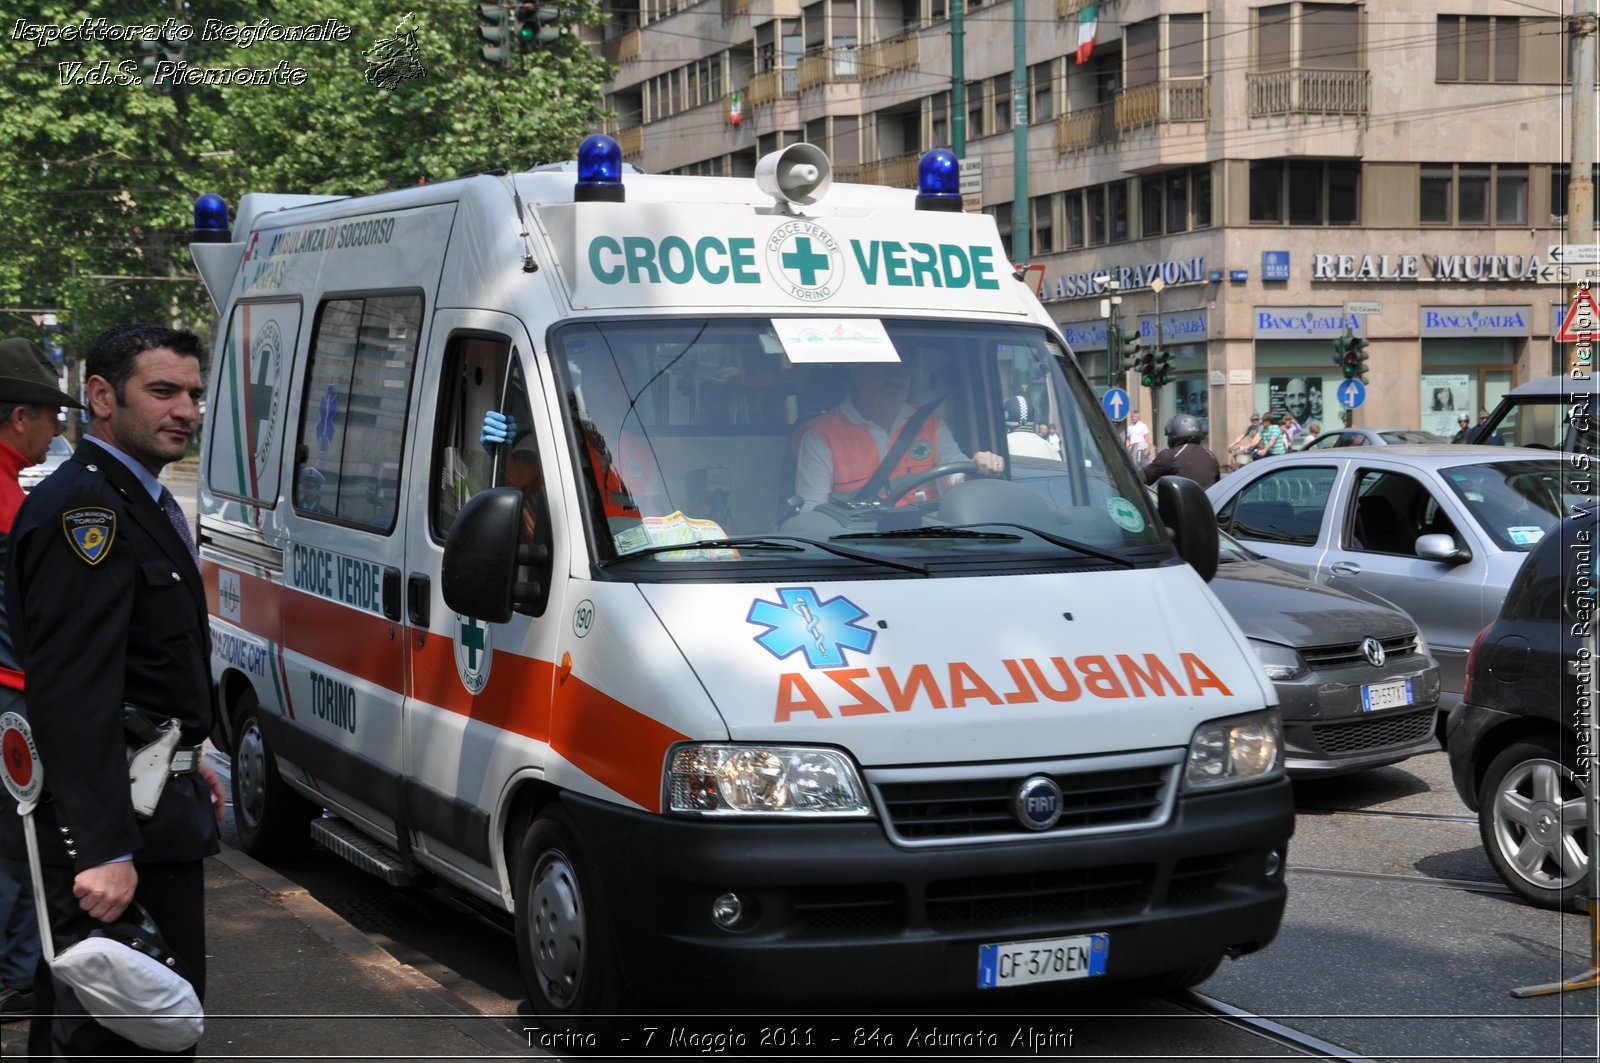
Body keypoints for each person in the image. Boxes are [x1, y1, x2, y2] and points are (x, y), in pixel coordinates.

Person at [5, 323, 226, 1059]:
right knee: (123, 1040)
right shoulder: (87, 514)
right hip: (116, 831)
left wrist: (195, 761)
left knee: (130, 1029)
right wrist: (101, 848)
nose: (186, 410)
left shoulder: (138, 499)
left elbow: (154, 664)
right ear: (101, 396)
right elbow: (73, 693)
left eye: (193, 392)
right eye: (162, 391)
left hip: (156, 805)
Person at [0, 337, 84, 1024]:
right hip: (11, 699)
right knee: (23, 840)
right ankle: (18, 975)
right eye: (51, 416)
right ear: (18, 415)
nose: (57, 429)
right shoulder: (9, 506)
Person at [794, 360, 1004, 509]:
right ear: (857, 375)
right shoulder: (821, 434)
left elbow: (953, 472)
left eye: (903, 368)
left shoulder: (929, 423)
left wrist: (978, 467)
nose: (896, 378)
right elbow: (812, 509)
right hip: (856, 546)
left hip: (927, 539)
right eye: (883, 368)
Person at [1141, 413, 1221, 488]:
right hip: (1209, 502)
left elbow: (1141, 479)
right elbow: (1217, 484)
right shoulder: (1211, 456)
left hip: (1179, 503)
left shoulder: (1171, 455)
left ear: (1175, 434)